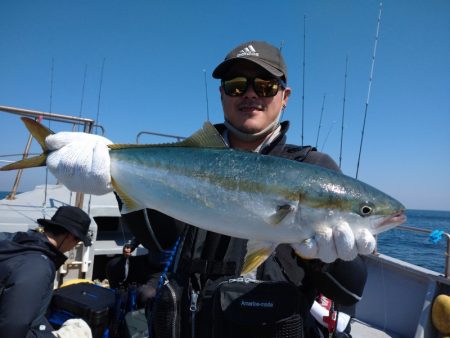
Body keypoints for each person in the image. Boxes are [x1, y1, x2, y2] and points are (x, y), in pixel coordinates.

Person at [44, 40, 375, 337]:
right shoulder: (188, 160)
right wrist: (112, 175)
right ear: (222, 95)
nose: (250, 94)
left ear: (284, 96)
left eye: (264, 85)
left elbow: (350, 294)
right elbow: (158, 240)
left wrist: (328, 260)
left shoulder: (314, 169)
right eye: (235, 86)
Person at [0, 206, 93, 338]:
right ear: (69, 236)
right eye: (78, 240)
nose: (75, 246)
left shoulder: (19, 241)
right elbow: (11, 330)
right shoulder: (38, 267)